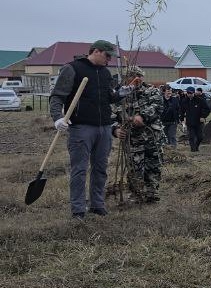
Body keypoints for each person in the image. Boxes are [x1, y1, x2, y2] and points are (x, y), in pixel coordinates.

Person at [49, 40, 121, 220]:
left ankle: (97, 205)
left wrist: (120, 94)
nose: (109, 60)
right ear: (96, 51)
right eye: (107, 55)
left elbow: (108, 98)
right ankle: (78, 209)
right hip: (81, 128)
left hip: (104, 127)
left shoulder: (105, 73)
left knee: (100, 168)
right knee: (79, 170)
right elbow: (57, 96)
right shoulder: (72, 69)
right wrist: (57, 118)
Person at [115, 66, 165, 203]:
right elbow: (113, 114)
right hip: (132, 138)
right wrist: (116, 129)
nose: (136, 79)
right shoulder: (121, 94)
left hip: (152, 137)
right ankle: (136, 193)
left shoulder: (152, 91)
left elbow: (157, 107)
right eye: (132, 76)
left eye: (138, 76)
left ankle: (152, 192)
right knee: (134, 166)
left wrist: (142, 116)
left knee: (153, 165)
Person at [185, 88, 211, 152]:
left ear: (194, 93)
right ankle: (193, 149)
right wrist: (182, 118)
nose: (189, 94)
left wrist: (203, 116)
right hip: (190, 122)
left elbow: (207, 109)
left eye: (191, 93)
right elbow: (181, 110)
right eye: (188, 93)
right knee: (191, 136)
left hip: (199, 122)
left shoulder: (200, 100)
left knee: (200, 137)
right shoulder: (185, 101)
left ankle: (196, 146)